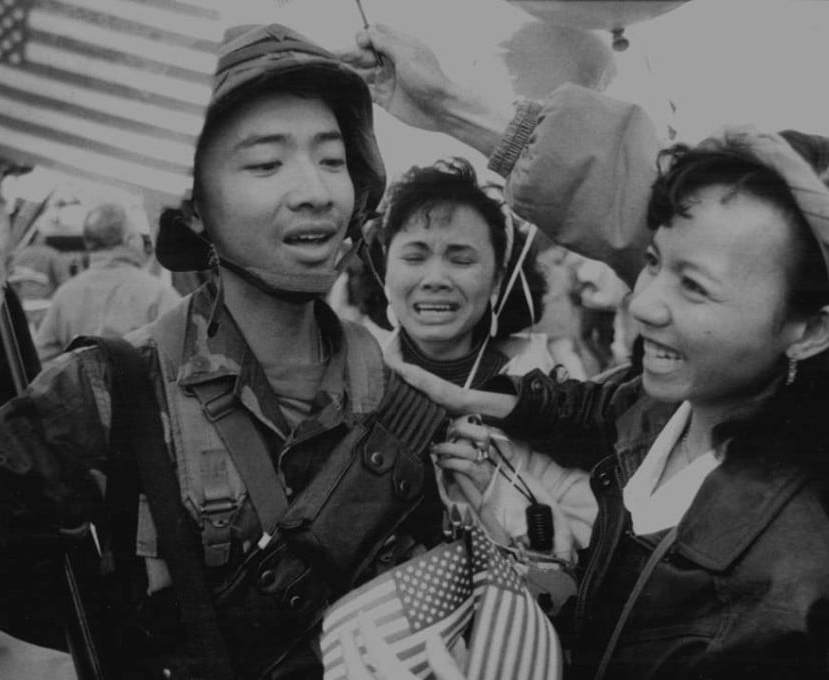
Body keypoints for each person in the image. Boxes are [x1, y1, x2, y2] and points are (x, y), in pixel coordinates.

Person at [0, 24, 447, 680]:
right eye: (266, 163)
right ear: (193, 208)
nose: (315, 190)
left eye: (331, 158)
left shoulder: (404, 392)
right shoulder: (109, 391)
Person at [341, 24, 829, 679]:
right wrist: (450, 107)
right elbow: (598, 409)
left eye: (696, 286)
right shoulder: (664, 410)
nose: (646, 302)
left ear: (810, 328)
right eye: (653, 263)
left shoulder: (785, 582)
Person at [376, 157, 596, 562]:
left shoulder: (547, 392)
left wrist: (498, 487)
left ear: (497, 279)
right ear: (385, 267)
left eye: (461, 259)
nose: (436, 279)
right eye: (414, 257)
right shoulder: (357, 377)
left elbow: (587, 545)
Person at [34, 202, 179, 361]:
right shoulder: (158, 293)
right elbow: (182, 352)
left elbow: (44, 358)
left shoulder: (64, 295)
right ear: (129, 239)